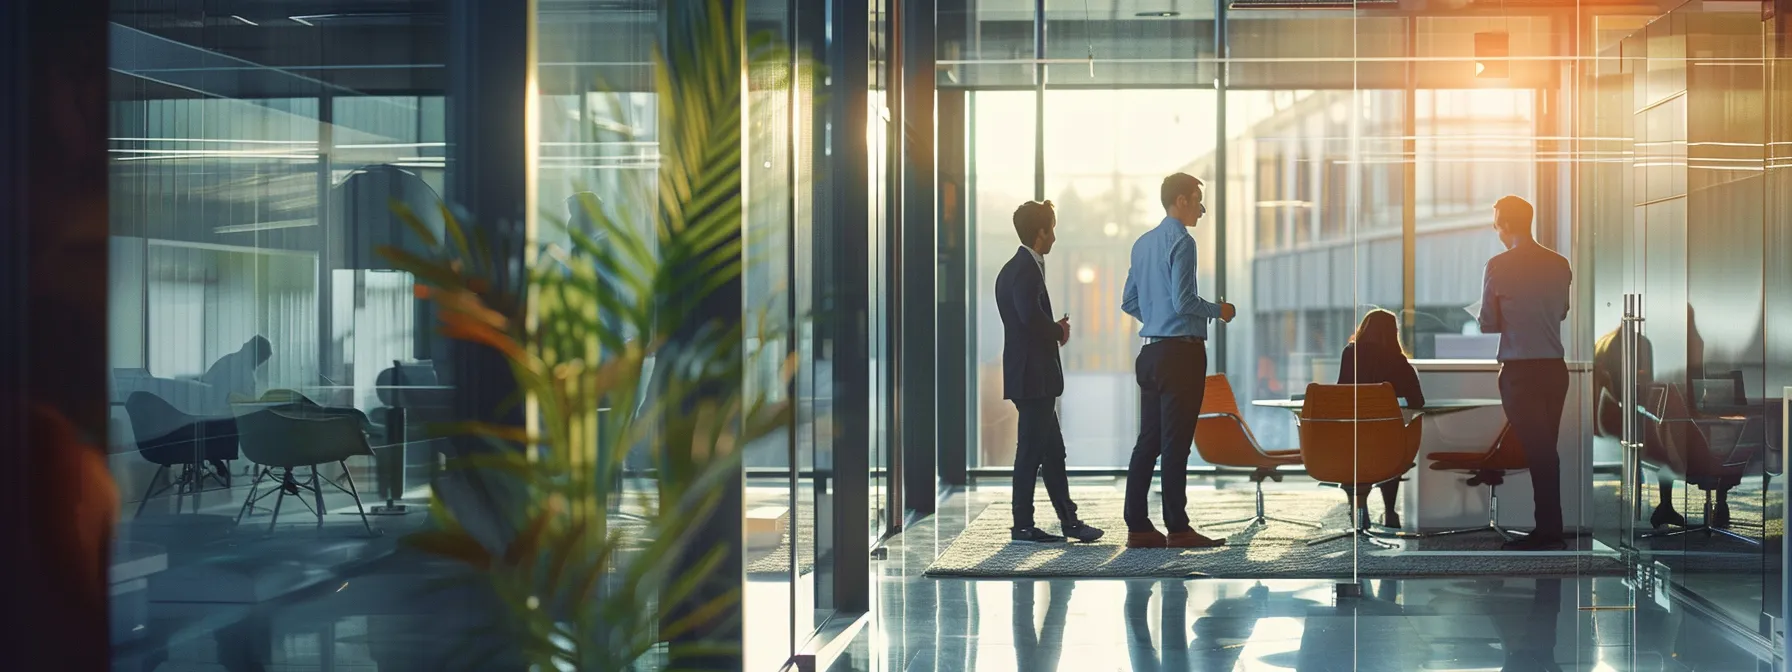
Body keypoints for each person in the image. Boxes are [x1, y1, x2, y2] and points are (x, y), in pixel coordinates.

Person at [1119, 173, 1235, 549]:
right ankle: (1178, 527)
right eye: (1197, 200)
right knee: (1175, 443)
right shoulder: (1182, 242)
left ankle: (1137, 524)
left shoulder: (1142, 244)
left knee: (1147, 442)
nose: (1202, 208)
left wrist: (1155, 319)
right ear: (1181, 201)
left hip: (1150, 353)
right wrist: (1220, 310)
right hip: (1180, 355)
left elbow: (1129, 301)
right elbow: (1185, 301)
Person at [994, 200, 1103, 543]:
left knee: (1053, 452)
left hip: (1028, 375)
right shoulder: (1026, 268)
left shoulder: (1014, 267)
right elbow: (1028, 317)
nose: (1055, 235)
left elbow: (1024, 318)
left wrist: (1051, 328)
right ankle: (1023, 526)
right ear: (1040, 232)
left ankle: (1068, 521)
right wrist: (1058, 331)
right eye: (1052, 228)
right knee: (1030, 451)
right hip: (1034, 378)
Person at [1477, 195, 1572, 551]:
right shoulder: (1560, 264)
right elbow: (1561, 311)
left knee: (1539, 451)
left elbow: (1488, 323)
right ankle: (1550, 528)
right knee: (1546, 449)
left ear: (1503, 224)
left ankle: (1549, 532)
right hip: (1554, 370)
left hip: (1519, 372)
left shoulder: (1498, 265)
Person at [1336, 308, 1424, 529]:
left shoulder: (1350, 354)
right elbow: (1418, 402)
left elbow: (1341, 393)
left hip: (1351, 439)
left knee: (1355, 458)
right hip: (1386, 441)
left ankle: (1358, 511)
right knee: (1390, 450)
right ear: (1393, 333)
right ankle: (1390, 512)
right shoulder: (1397, 361)